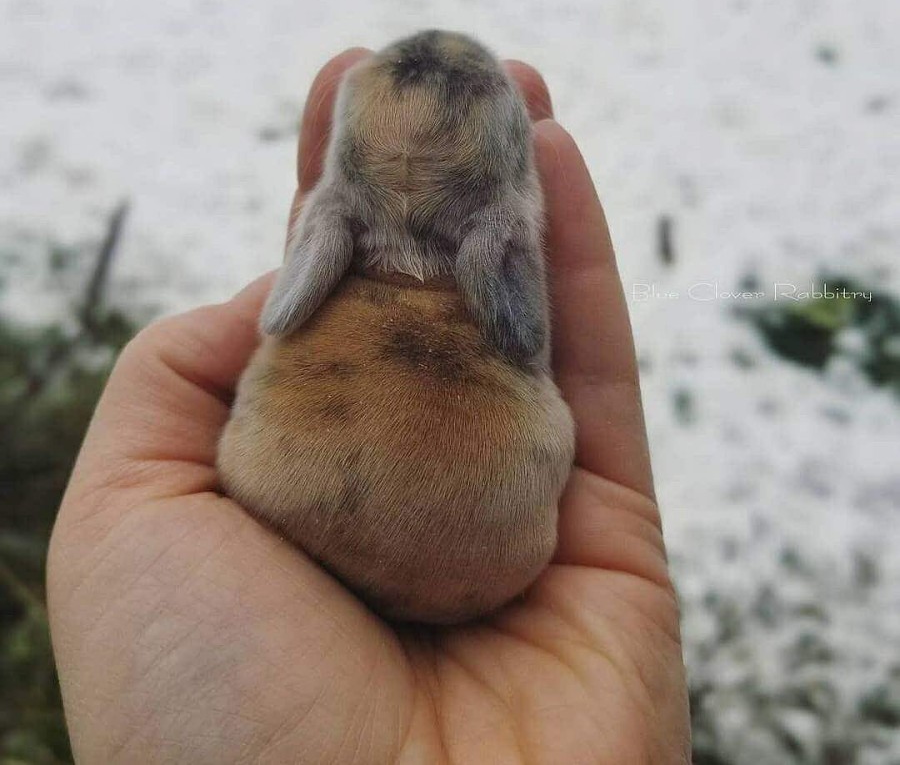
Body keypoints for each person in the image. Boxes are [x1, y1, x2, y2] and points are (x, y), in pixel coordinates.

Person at [46, 49, 691, 764]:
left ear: (332, 216)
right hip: (489, 552)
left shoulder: (331, 222)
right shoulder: (499, 237)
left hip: (294, 495)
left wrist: (292, 298)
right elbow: (521, 333)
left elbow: (284, 309)